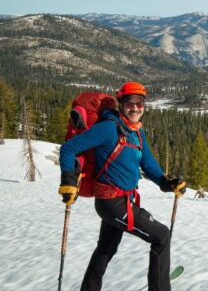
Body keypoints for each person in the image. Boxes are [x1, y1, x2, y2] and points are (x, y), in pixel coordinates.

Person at [58, 82, 186, 291]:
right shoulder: (108, 128)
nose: (135, 108)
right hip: (112, 202)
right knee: (161, 236)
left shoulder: (136, 132)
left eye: (140, 103)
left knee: (106, 248)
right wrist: (68, 180)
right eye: (130, 103)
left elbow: (148, 164)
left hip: (122, 200)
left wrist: (166, 182)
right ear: (120, 104)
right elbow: (69, 148)